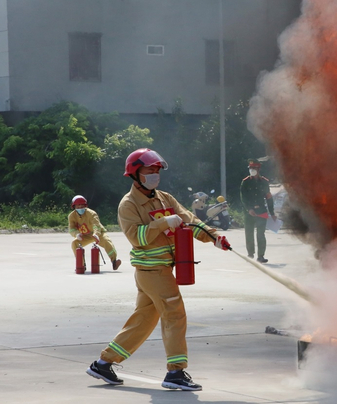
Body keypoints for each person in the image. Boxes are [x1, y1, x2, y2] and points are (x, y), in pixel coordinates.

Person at [85, 148, 231, 391]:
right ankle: (175, 372)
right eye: (149, 170)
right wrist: (163, 222)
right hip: (152, 271)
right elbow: (136, 237)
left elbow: (190, 221)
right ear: (135, 174)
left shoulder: (165, 198)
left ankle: (103, 363)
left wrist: (214, 237)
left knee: (143, 320)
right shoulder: (129, 205)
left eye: (157, 170)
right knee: (174, 314)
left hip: (159, 271)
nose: (155, 174)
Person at [68, 195, 122, 271]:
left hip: (98, 233)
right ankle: (81, 265)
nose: (80, 207)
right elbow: (71, 229)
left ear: (85, 205)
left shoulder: (91, 213)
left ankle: (114, 261)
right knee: (74, 243)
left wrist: (96, 234)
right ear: (74, 206)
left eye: (82, 205)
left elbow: (96, 225)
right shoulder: (71, 216)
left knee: (107, 242)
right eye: (78, 206)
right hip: (84, 236)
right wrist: (76, 234)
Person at [240, 159, 276, 263]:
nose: (252, 170)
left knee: (261, 234)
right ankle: (250, 254)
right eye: (250, 168)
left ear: (258, 169)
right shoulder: (245, 182)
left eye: (254, 168)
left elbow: (268, 197)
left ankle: (261, 256)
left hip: (261, 211)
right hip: (249, 213)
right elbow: (243, 198)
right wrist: (249, 209)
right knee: (249, 233)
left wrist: (272, 213)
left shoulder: (264, 182)